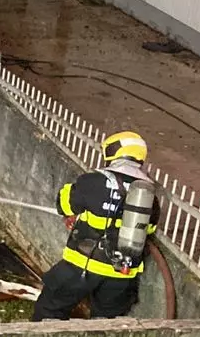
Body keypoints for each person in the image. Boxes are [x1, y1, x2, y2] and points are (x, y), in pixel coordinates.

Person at [32, 130, 160, 321]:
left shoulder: (94, 181)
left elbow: (64, 203)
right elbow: (148, 229)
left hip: (81, 266)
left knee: (50, 309)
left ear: (113, 152)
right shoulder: (149, 195)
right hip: (122, 274)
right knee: (106, 324)